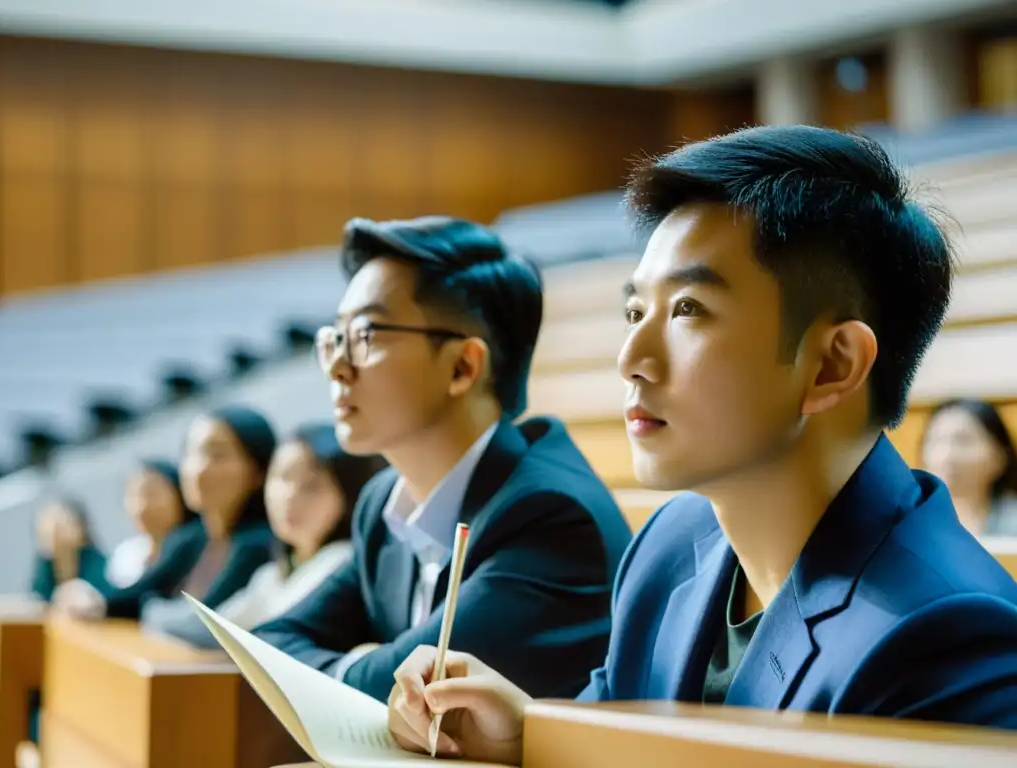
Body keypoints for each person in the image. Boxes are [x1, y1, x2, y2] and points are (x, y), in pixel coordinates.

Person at [386, 125, 1017, 763]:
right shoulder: (669, 546)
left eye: (687, 310)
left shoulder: (947, 637)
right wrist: (530, 735)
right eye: (635, 313)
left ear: (831, 365)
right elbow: (624, 749)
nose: (632, 358)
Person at [253, 215, 632, 704]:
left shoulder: (551, 516)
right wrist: (365, 665)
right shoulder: (382, 504)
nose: (337, 366)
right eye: (336, 338)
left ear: (463, 367)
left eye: (365, 335)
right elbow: (270, 645)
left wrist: (352, 666)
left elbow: (412, 692)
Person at [155, 423, 385, 648]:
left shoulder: (342, 563)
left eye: (312, 485)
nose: (289, 496)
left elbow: (266, 639)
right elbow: (213, 629)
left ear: (347, 496)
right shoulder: (273, 573)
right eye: (282, 477)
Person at [52, 405, 276, 624]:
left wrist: (148, 610)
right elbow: (131, 597)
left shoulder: (258, 545)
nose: (198, 469)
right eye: (191, 452)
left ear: (258, 470)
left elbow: (201, 624)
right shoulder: (191, 538)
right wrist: (89, 599)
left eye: (217, 455)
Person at [921, 398, 1017, 536]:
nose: (946, 456)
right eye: (936, 441)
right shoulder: (907, 523)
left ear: (1001, 456)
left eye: (963, 441)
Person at [106, 460, 197, 589]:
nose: (142, 506)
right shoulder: (125, 557)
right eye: (134, 495)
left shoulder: (196, 542)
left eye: (152, 494)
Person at [30, 497, 110, 601]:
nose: (52, 535)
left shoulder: (95, 562)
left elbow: (104, 597)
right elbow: (38, 599)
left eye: (58, 528)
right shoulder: (46, 565)